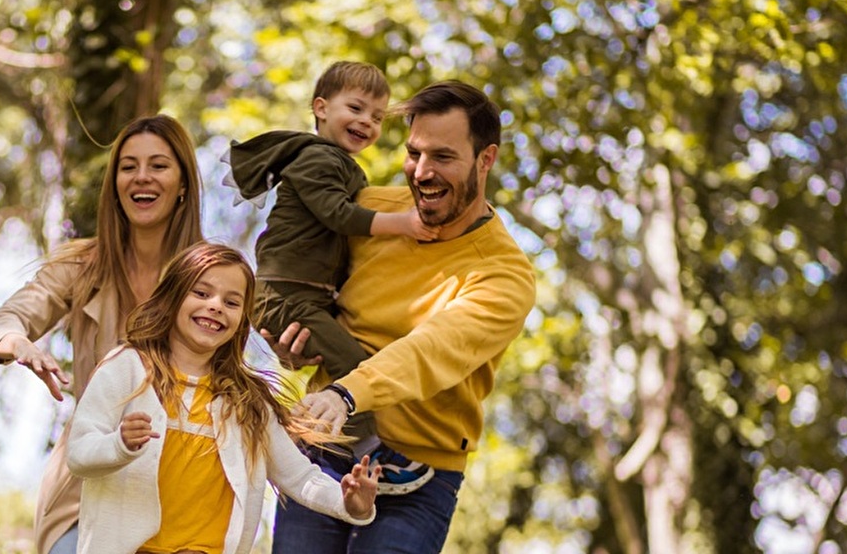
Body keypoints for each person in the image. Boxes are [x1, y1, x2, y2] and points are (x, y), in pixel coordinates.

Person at [269, 80, 539, 552]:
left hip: (420, 476)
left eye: (443, 157)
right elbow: (302, 281)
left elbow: (432, 349)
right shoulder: (370, 213)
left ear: (486, 159)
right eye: (414, 153)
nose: (422, 172)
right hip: (324, 448)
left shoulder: (505, 274)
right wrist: (286, 343)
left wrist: (347, 393)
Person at [0, 114, 206, 554]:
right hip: (88, 487)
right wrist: (15, 342)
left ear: (183, 184)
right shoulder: (83, 266)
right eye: (128, 166)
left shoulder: (211, 278)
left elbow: (255, 351)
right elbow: (15, 314)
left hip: (179, 489)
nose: (141, 177)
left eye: (158, 165)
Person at [66, 242, 380, 554]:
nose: (215, 305)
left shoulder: (247, 401)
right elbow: (79, 454)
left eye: (232, 302)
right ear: (172, 297)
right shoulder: (126, 368)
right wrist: (119, 444)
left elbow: (300, 477)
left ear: (242, 321)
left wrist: (350, 504)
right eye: (201, 293)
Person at [226, 60, 434, 451]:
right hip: (285, 294)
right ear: (321, 108)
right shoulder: (316, 158)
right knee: (356, 367)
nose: (366, 123)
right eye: (355, 109)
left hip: (306, 296)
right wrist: (402, 223)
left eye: (376, 117)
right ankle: (367, 449)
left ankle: (325, 441)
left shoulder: (339, 163)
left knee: (348, 359)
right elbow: (338, 215)